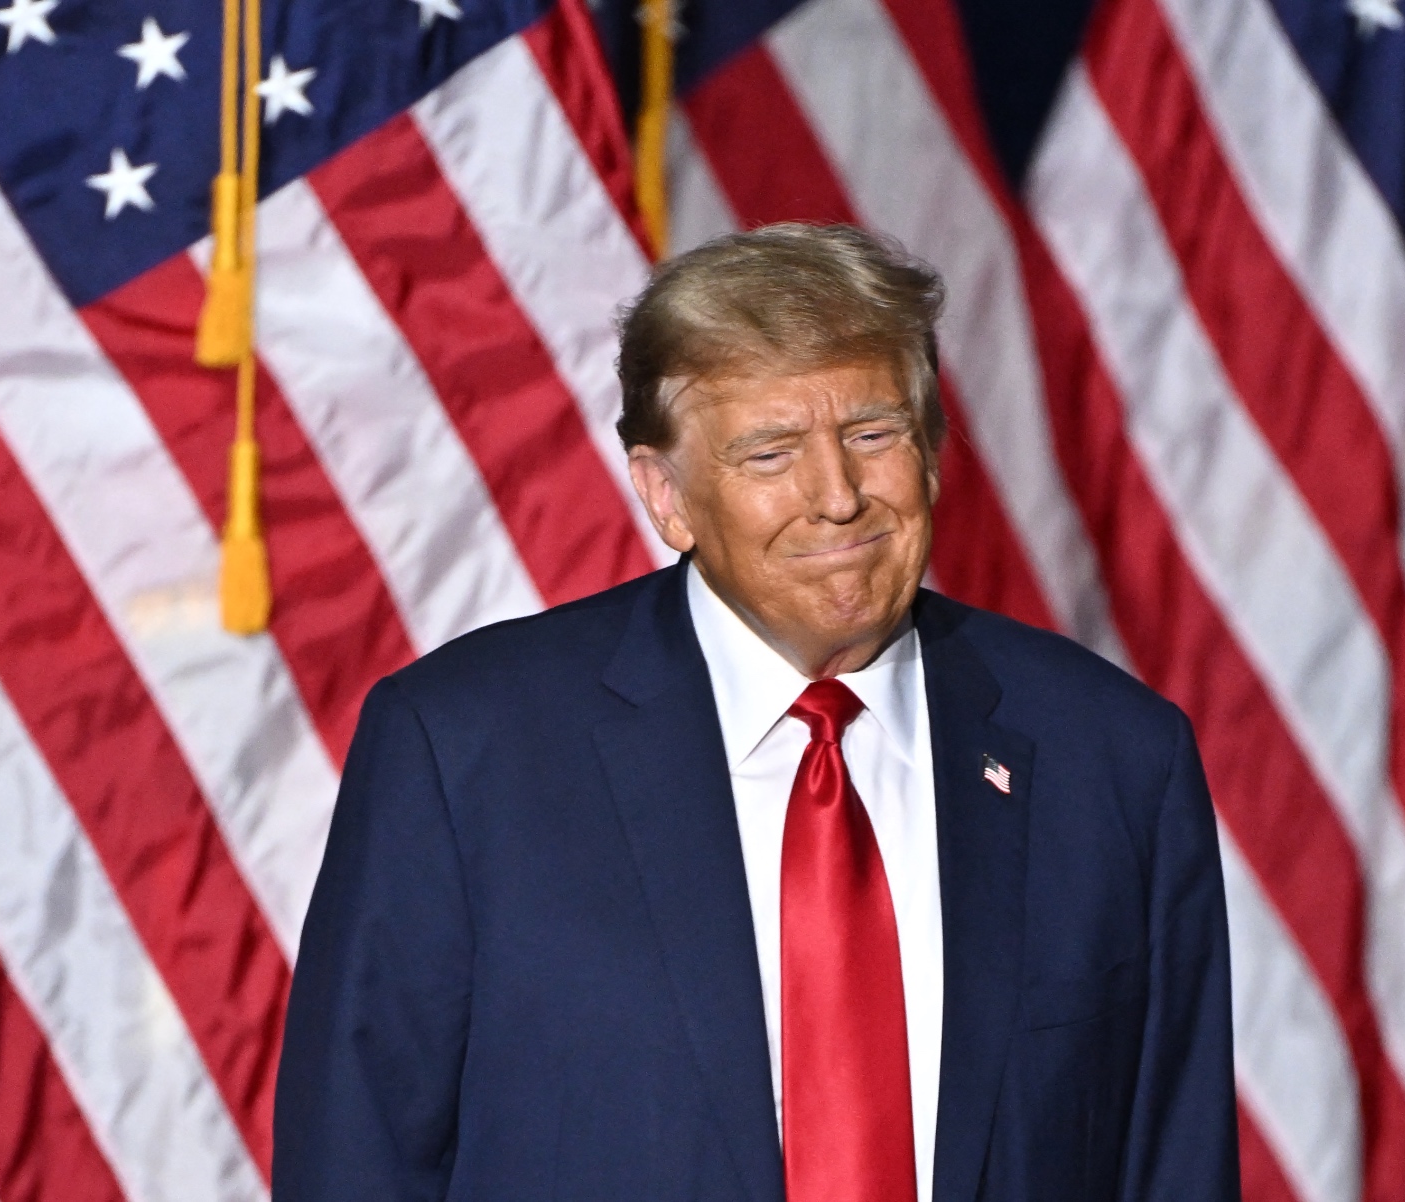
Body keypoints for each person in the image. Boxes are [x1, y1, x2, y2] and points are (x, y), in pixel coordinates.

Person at [272, 223, 1237, 1202]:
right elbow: (357, 1156)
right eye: (772, 452)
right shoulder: (463, 750)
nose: (838, 497)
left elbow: (1174, 1159)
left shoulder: (1114, 759)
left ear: (932, 448)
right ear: (667, 495)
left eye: (872, 433)